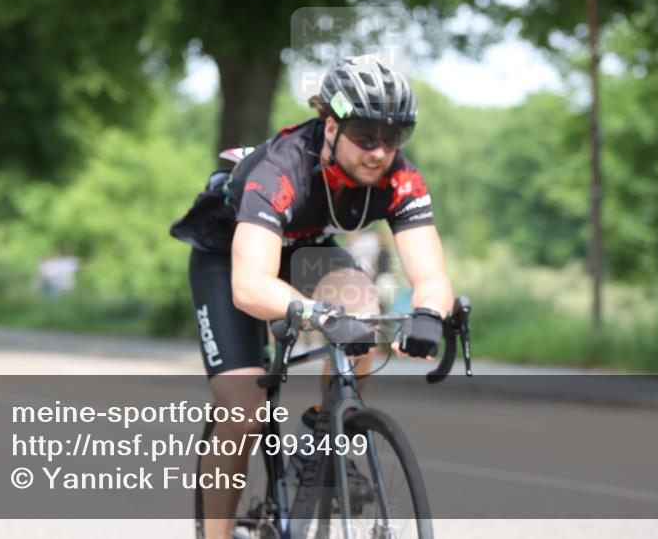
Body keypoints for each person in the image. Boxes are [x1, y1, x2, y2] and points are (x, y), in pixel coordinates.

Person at [171, 55, 454, 539]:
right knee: (242, 409)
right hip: (231, 259)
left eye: (393, 137)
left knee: (363, 309)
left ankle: (325, 439)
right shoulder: (281, 170)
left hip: (306, 250)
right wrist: (319, 316)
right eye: (365, 135)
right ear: (330, 126)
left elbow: (431, 273)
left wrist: (428, 314)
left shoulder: (398, 176)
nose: (379, 152)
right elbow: (252, 284)